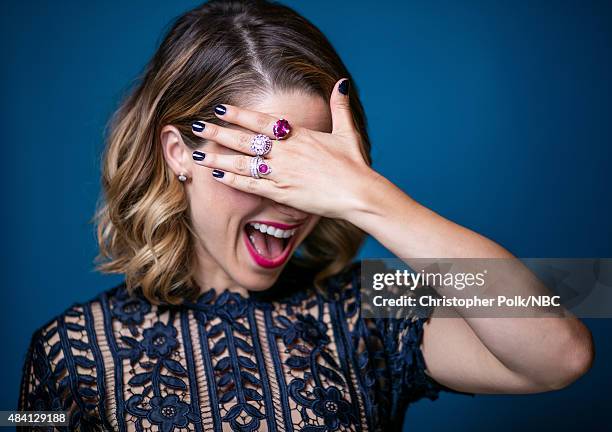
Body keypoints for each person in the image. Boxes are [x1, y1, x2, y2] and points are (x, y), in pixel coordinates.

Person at [17, 0, 594, 431]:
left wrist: (365, 195)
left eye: (313, 172)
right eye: (261, 168)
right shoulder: (68, 352)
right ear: (180, 155)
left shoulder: (368, 305)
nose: (292, 202)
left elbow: (559, 351)